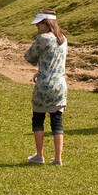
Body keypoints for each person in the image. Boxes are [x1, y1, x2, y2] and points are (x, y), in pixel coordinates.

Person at [24, 10, 68, 165]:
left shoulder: (43, 39)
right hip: (60, 85)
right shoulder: (63, 39)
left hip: (44, 85)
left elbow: (29, 57)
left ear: (47, 23)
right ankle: (58, 158)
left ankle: (39, 155)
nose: (37, 25)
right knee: (57, 121)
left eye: (39, 23)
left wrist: (40, 70)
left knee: (38, 119)